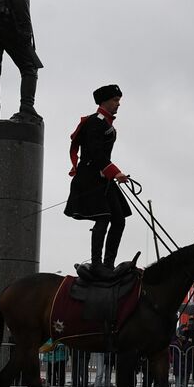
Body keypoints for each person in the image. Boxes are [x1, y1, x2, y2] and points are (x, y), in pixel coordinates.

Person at [65, 85, 132, 278]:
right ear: (104, 101)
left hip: (103, 178)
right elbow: (95, 153)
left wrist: (113, 174)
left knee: (119, 219)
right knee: (103, 217)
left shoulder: (105, 123)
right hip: (90, 179)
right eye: (115, 100)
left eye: (118, 100)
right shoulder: (95, 122)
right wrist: (114, 172)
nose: (118, 104)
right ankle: (96, 264)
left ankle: (108, 264)